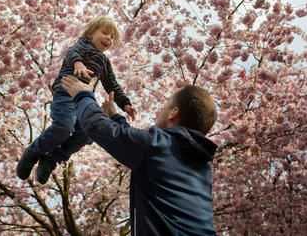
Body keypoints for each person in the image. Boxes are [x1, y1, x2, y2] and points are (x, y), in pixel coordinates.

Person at [59, 75, 218, 235]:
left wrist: (83, 94)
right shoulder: (201, 162)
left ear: (173, 113)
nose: (161, 109)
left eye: (167, 103)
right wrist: (115, 117)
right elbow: (133, 142)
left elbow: (96, 126)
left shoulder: (157, 146)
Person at [16, 16, 137, 184]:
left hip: (84, 101)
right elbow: (72, 52)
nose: (109, 39)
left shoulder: (105, 62)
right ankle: (33, 152)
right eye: (105, 33)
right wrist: (78, 63)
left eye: (112, 37)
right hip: (67, 92)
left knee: (89, 133)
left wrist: (125, 104)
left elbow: (112, 85)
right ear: (90, 34)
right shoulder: (83, 45)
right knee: (65, 126)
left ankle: (53, 159)